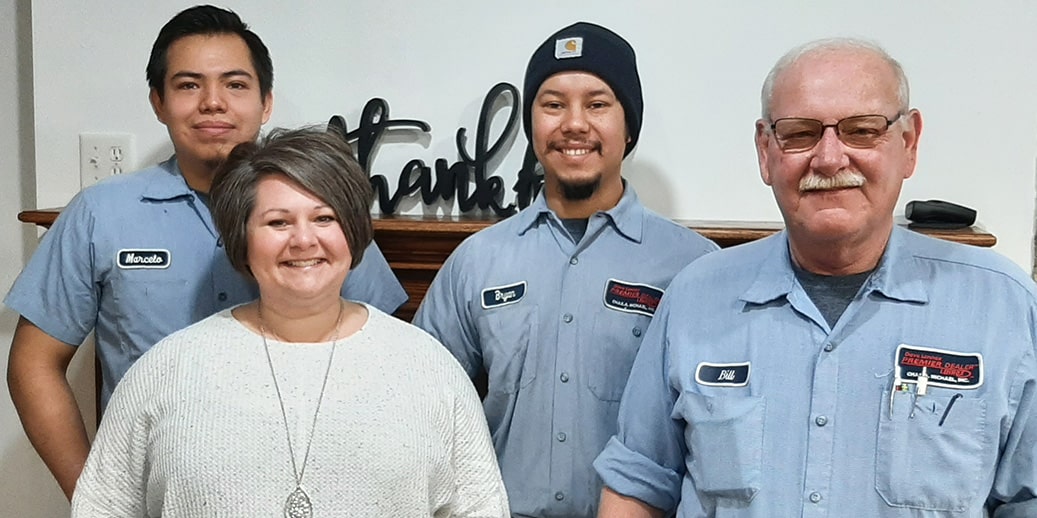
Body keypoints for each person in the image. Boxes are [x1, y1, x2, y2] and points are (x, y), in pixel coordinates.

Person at [595, 37, 1037, 517]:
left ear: (909, 143)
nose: (829, 159)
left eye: (862, 131)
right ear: (765, 150)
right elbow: (638, 482)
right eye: (800, 133)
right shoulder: (695, 298)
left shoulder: (1004, 308)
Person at [4, 5, 406, 501]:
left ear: (266, 102)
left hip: (314, 487)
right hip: (157, 493)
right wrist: (96, 498)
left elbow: (387, 353)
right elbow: (34, 365)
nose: (213, 103)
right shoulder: (100, 214)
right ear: (158, 102)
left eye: (235, 84)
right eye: (188, 85)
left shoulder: (321, 215)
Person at [70, 126, 509, 517]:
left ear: (353, 233)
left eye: (324, 218)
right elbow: (102, 506)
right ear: (243, 239)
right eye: (278, 222)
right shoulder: (166, 369)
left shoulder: (428, 367)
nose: (303, 240)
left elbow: (480, 506)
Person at [414, 22, 717, 517]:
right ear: (532, 124)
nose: (574, 124)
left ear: (629, 126)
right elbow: (421, 404)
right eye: (553, 104)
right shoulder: (478, 260)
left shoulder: (692, 265)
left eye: (597, 104)